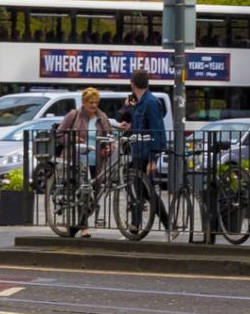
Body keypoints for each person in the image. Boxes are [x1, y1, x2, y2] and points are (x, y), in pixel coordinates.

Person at [56, 87, 119, 237]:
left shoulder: (102, 117)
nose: (94, 105)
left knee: (95, 195)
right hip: (76, 160)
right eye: (91, 102)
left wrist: (109, 147)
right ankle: (84, 227)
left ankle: (77, 225)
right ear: (84, 102)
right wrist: (72, 138)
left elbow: (109, 138)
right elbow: (59, 134)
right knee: (83, 194)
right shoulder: (74, 115)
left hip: (96, 161)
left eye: (96, 102)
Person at [117, 71, 169, 226]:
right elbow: (141, 126)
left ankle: (139, 224)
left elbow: (156, 130)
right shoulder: (139, 103)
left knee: (144, 191)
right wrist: (130, 125)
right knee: (142, 190)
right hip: (138, 152)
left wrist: (153, 160)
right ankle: (138, 224)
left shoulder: (151, 103)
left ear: (132, 84)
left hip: (146, 153)